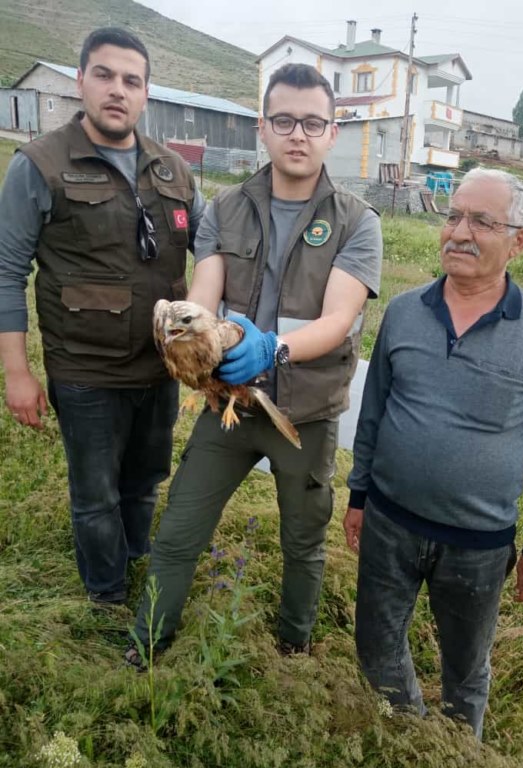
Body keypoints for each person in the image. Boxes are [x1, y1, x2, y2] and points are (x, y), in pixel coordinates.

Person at [129, 63, 382, 662]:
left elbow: (337, 320)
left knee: (303, 540)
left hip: (306, 411)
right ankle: (146, 644)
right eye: (285, 120)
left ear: (331, 133)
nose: (299, 133)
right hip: (230, 408)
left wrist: (271, 347)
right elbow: (205, 293)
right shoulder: (226, 208)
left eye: (313, 122)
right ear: (262, 128)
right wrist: (195, 329)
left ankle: (293, 648)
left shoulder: (357, 223)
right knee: (179, 530)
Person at [343, 168, 523, 739]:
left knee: (466, 670)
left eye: (481, 221)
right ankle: (412, 742)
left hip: (478, 542)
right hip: (390, 522)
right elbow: (372, 413)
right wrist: (358, 495)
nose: (459, 232)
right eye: (453, 216)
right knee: (375, 647)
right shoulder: (403, 311)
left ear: (519, 240)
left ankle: (455, 762)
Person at [0, 28, 204, 605]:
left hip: (160, 369)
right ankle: (107, 597)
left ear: (146, 94)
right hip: (86, 371)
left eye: (131, 80)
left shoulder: (173, 171)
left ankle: (134, 561)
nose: (118, 90)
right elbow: (6, 273)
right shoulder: (40, 166)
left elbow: (213, 252)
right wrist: (18, 374)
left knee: (144, 484)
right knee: (96, 496)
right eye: (105, 76)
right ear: (81, 81)